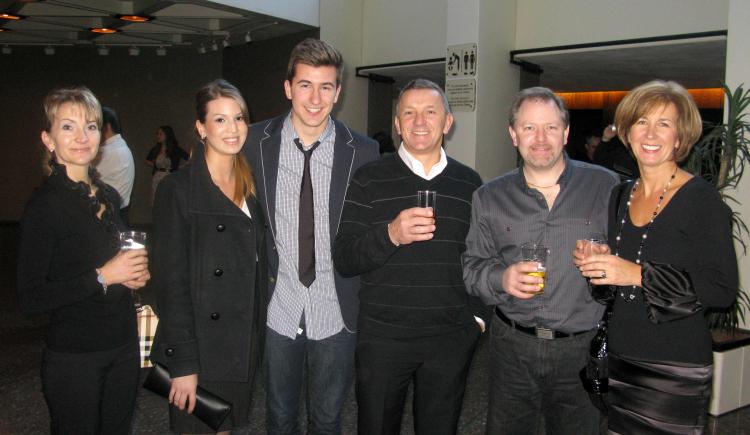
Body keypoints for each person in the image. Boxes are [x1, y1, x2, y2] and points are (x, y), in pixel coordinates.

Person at [575, 80, 738, 434]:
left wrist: (634, 273)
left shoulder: (700, 198)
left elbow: (721, 289)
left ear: (680, 138)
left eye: (664, 124)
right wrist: (599, 264)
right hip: (619, 357)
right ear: (628, 132)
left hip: (674, 365)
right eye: (641, 122)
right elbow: (612, 292)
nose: (650, 133)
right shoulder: (621, 195)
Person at [333, 79, 490, 435]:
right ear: (397, 124)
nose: (420, 121)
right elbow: (344, 258)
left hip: (450, 337)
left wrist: (479, 319)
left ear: (447, 122)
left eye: (430, 112)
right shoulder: (368, 178)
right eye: (409, 113)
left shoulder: (469, 183)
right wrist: (390, 234)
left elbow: (483, 256)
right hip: (384, 337)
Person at [462, 86, 619, 434]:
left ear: (565, 133)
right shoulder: (489, 197)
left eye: (550, 127)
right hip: (512, 347)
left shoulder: (605, 186)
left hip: (581, 347)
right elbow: (472, 269)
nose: (540, 138)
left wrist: (611, 262)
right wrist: (501, 279)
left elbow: (629, 258)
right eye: (529, 127)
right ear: (513, 134)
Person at [242, 38, 379, 434]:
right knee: (279, 417)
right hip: (277, 306)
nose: (315, 98)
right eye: (305, 85)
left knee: (328, 419)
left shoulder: (363, 152)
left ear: (338, 92)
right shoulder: (254, 143)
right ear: (288, 88)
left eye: (325, 87)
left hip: (335, 309)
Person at [17, 86, 149, 435]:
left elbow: (115, 261)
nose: (81, 137)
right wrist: (103, 276)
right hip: (76, 356)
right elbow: (30, 297)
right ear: (48, 139)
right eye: (68, 127)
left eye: (90, 126)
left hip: (122, 345)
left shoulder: (108, 194)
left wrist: (132, 275)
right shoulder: (45, 206)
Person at [149, 79, 268, 435]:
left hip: (241, 343)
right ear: (201, 128)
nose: (232, 129)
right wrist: (183, 364)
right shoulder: (178, 190)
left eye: (239, 118)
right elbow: (171, 285)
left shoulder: (251, 186)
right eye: (220, 120)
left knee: (228, 427)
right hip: (199, 347)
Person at [94, 106, 135, 226]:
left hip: (109, 217)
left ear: (106, 126)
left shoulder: (110, 151)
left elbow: (80, 179)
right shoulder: (120, 147)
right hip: (118, 213)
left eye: (93, 127)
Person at [146, 125, 189, 205]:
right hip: (157, 177)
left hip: (169, 176)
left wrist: (179, 168)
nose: (158, 136)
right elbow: (147, 160)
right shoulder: (156, 149)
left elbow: (189, 158)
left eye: (160, 134)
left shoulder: (175, 149)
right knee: (157, 200)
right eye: (157, 134)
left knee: (168, 200)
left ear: (167, 135)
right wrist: (156, 166)